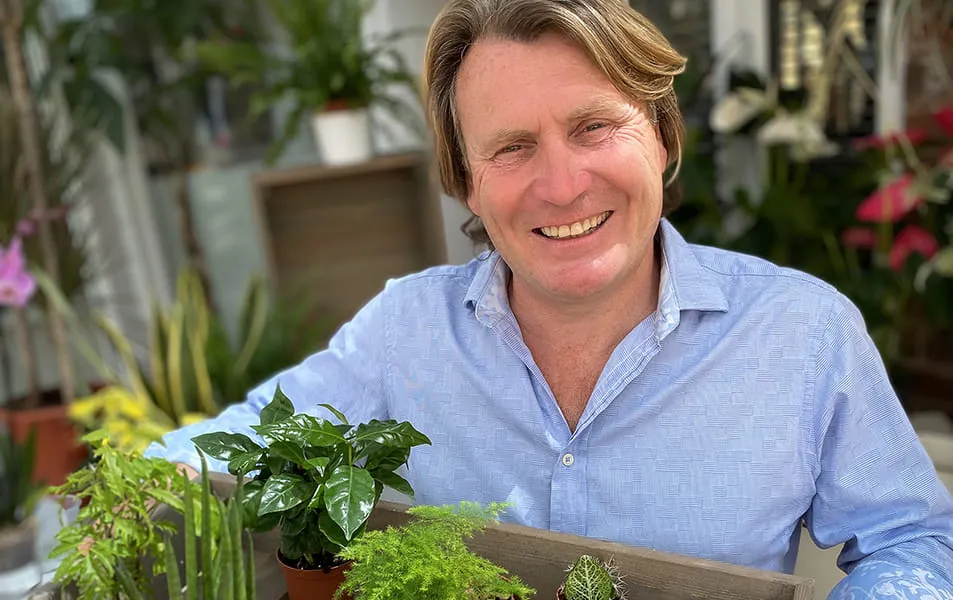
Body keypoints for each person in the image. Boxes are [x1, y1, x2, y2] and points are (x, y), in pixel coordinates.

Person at [145, 0, 953, 596]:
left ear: (663, 138)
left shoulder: (801, 331)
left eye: (595, 126)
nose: (561, 185)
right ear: (466, 182)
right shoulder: (406, 330)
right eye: (512, 147)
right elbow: (236, 444)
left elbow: (910, 538)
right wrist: (131, 491)